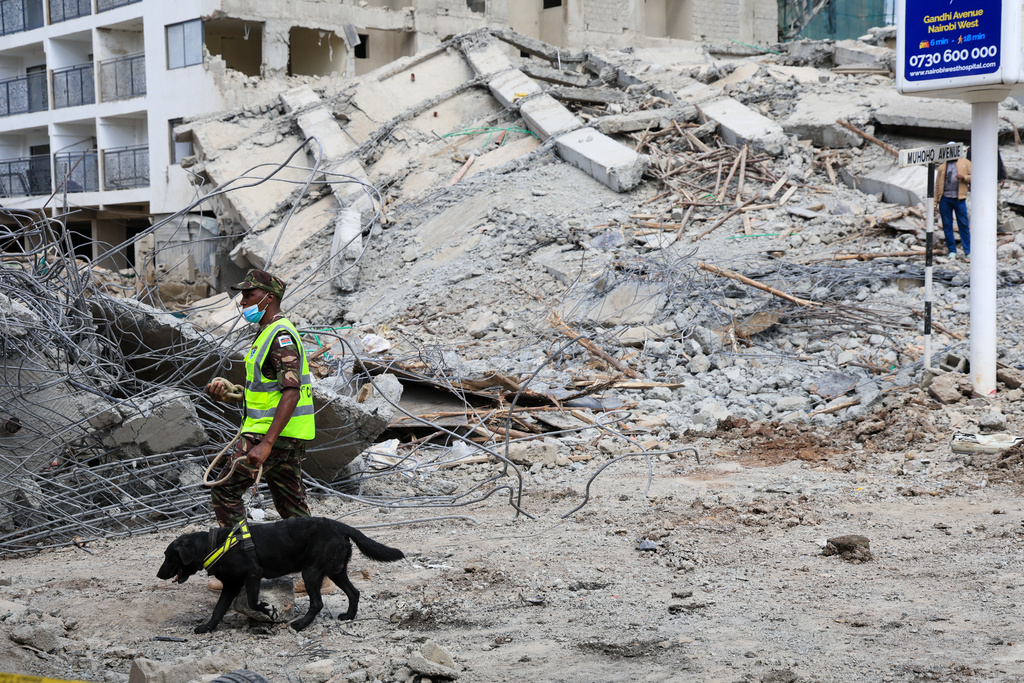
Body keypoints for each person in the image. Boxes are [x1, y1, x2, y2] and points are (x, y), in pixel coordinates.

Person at [205, 268, 327, 594]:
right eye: (243, 295)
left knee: (225, 491)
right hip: (284, 434)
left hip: (271, 436)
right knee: (290, 503)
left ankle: (241, 568)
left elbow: (290, 391)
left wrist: (267, 443)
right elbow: (267, 391)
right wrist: (228, 392)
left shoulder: (280, 336)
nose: (243, 301)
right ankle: (320, 573)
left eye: (249, 295)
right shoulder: (266, 334)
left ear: (268, 297)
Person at [934, 143, 972, 260]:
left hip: (959, 199)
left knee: (964, 225)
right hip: (945, 199)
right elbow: (937, 185)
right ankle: (952, 251)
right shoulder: (942, 166)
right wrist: (935, 202)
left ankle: (968, 251)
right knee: (947, 225)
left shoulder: (965, 162)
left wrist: (964, 178)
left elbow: (975, 175)